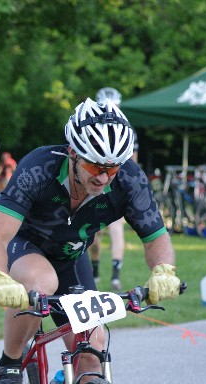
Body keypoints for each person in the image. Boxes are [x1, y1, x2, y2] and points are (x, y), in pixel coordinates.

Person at [0, 97, 181, 384]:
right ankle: (9, 365)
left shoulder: (129, 179)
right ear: (73, 152)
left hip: (72, 256)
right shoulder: (39, 167)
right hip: (26, 247)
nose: (102, 177)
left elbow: (156, 237)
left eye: (111, 170)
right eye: (94, 166)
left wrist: (163, 271)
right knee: (41, 281)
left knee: (92, 352)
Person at [88, 87, 140, 290]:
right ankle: (101, 270)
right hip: (106, 182)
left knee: (108, 230)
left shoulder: (124, 130)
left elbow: (131, 165)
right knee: (100, 232)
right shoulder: (128, 130)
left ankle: (107, 273)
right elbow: (133, 164)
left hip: (109, 182)